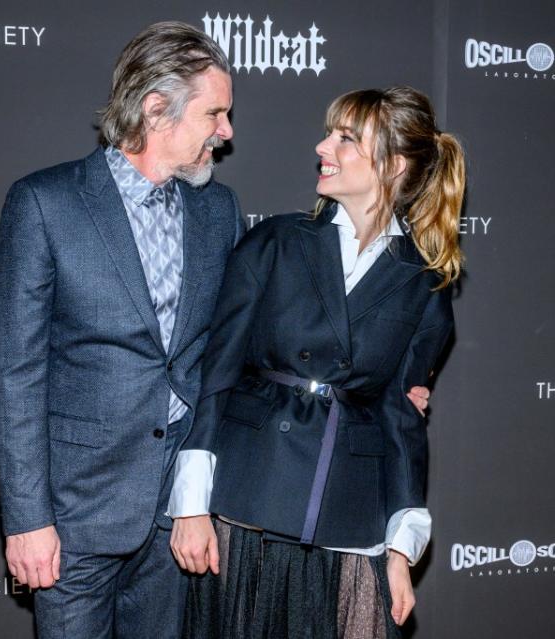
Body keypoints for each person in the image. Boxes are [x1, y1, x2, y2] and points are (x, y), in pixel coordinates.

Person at [168, 86, 465, 638]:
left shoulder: (425, 283)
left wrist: (400, 549)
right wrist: (189, 505)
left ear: (393, 164)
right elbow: (218, 372)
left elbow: (401, 420)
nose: (322, 145)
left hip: (348, 512)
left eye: (346, 138)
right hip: (249, 497)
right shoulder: (276, 241)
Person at [0, 22, 241, 638]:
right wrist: (26, 520)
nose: (227, 132)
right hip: (75, 518)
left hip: (176, 519)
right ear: (157, 110)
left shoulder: (217, 209)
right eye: (216, 113)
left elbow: (233, 351)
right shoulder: (45, 204)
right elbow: (14, 373)